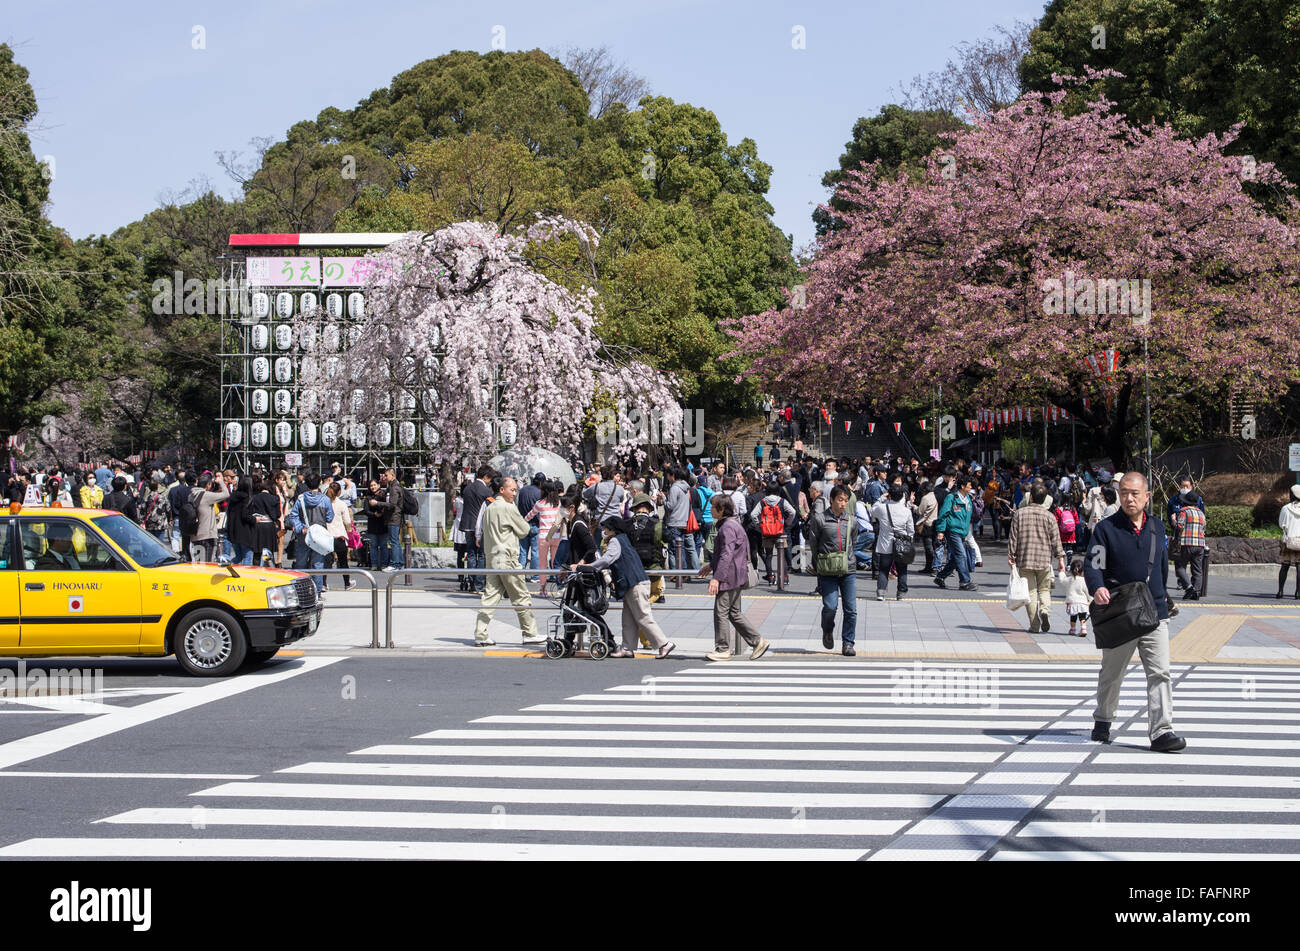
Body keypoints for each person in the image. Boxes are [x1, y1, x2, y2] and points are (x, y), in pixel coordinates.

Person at [1084, 472, 1185, 752]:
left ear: (1146, 497)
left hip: (1154, 613)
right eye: (1124, 492)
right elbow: (1095, 564)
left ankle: (1162, 731)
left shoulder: (1157, 527)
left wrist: (1164, 597)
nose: (1129, 498)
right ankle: (1103, 719)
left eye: (1135, 493)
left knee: (1160, 673)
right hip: (1121, 612)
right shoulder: (1106, 529)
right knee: (1112, 672)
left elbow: (1162, 567)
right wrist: (1097, 588)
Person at [576, 515, 674, 659]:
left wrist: (588, 566)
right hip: (634, 583)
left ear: (612, 529)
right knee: (628, 617)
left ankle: (664, 644)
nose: (603, 530)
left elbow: (608, 559)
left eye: (605, 528)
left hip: (635, 583)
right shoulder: (624, 539)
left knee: (643, 616)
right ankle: (627, 647)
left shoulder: (616, 540)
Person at [698, 494, 770, 661]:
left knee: (721, 611)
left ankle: (723, 648)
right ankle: (757, 641)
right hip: (736, 574)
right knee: (734, 612)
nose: (710, 509)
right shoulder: (733, 524)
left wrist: (717, 578)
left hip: (729, 576)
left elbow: (727, 554)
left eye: (713, 507)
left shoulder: (727, 527)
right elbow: (730, 552)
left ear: (721, 510)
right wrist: (711, 566)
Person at [473, 477, 542, 647]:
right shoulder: (508, 507)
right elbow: (524, 530)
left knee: (490, 596)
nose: (514, 493)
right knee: (520, 595)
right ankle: (530, 633)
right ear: (502, 490)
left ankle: (480, 634)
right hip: (508, 558)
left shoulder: (489, 508)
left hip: (492, 558)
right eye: (512, 490)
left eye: (515, 490)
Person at [1008, 483, 1068, 632]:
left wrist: (1011, 555)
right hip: (1044, 560)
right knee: (1045, 590)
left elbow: (1013, 537)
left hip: (1024, 558)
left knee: (1030, 592)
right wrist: (1060, 558)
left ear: (1031, 497)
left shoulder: (1019, 514)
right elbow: (1056, 539)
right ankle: (1045, 611)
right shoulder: (1049, 516)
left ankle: (1035, 625)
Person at [807, 484, 858, 655]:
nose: (843, 504)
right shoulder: (820, 519)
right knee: (830, 606)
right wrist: (817, 564)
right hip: (827, 569)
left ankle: (848, 643)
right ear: (831, 500)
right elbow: (813, 544)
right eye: (840, 500)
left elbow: (853, 541)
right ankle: (827, 629)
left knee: (851, 609)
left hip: (848, 569)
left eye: (846, 500)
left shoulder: (851, 520)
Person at [287, 472, 333, 594]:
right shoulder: (325, 500)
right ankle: (317, 593)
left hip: (304, 535)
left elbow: (293, 515)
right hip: (319, 536)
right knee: (318, 565)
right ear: (319, 483)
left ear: (306, 484)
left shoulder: (301, 499)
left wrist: (300, 527)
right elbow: (330, 518)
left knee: (301, 564)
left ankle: (300, 591)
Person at [872, 482, 915, 601]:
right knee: (902, 569)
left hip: (885, 543)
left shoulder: (882, 508)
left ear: (889, 495)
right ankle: (901, 593)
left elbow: (872, 509)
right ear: (902, 496)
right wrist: (908, 540)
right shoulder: (906, 511)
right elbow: (911, 530)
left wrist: (881, 498)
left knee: (883, 569)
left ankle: (881, 592)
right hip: (901, 543)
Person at [934, 476, 978, 591]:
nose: (971, 487)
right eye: (969, 485)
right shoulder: (951, 497)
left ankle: (940, 576)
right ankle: (965, 582)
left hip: (962, 532)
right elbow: (943, 514)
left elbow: (967, 517)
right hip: (953, 531)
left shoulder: (968, 498)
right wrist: (940, 531)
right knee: (961, 555)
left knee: (955, 558)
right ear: (963, 486)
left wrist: (967, 534)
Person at [460, 465, 494, 590]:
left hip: (467, 524)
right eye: (489, 479)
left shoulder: (467, 488)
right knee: (482, 555)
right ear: (485, 477)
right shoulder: (485, 491)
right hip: (479, 526)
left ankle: (472, 581)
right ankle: (479, 583)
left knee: (471, 554)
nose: (489, 482)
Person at [1173, 492, 1208, 600]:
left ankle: (1189, 588)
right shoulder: (1201, 513)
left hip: (1187, 543)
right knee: (1197, 570)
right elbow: (1204, 529)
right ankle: (1196, 592)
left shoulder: (1184, 511)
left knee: (1179, 566)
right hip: (1200, 544)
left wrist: (1174, 520)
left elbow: (1179, 526)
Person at [191, 473, 231, 564]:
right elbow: (226, 494)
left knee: (199, 564)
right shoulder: (206, 496)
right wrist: (221, 481)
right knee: (208, 563)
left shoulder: (192, 495)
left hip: (195, 535)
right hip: (207, 536)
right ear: (208, 484)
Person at [324, 481, 356, 591]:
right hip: (340, 536)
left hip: (326, 536)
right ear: (339, 492)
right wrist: (349, 532)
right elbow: (347, 521)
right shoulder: (342, 504)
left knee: (326, 562)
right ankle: (347, 583)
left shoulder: (323, 503)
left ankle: (323, 584)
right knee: (343, 562)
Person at [225, 475, 257, 566]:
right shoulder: (247, 498)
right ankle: (245, 577)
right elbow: (245, 515)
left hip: (234, 532)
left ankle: (227, 567)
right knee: (247, 557)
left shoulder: (233, 497)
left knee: (238, 556)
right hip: (245, 532)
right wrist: (255, 519)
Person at [250, 476, 281, 568]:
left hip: (258, 525)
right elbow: (277, 514)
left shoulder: (254, 498)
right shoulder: (274, 498)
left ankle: (255, 572)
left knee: (257, 553)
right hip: (269, 526)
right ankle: (270, 572)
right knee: (269, 552)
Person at [1277, 484, 1300, 599]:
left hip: (1288, 541)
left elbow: (1281, 524)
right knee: (1299, 567)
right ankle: (1298, 592)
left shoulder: (1286, 508)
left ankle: (1280, 591)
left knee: (1285, 566)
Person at [383, 468, 406, 572]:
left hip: (394, 517)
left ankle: (394, 564)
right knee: (395, 541)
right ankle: (400, 563)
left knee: (393, 541)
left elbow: (392, 504)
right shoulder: (393, 486)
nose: (385, 477)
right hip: (395, 517)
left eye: (386, 475)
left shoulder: (394, 487)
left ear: (392, 475)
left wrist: (377, 503)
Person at [1064, 557, 1091, 638]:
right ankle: (1083, 629)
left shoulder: (1069, 579)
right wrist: (1091, 600)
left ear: (1071, 570)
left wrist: (1061, 572)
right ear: (1082, 571)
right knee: (1082, 617)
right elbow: (1087, 592)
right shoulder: (1084, 580)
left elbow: (1062, 580)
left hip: (1073, 602)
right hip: (1082, 603)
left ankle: (1072, 629)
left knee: (1073, 616)